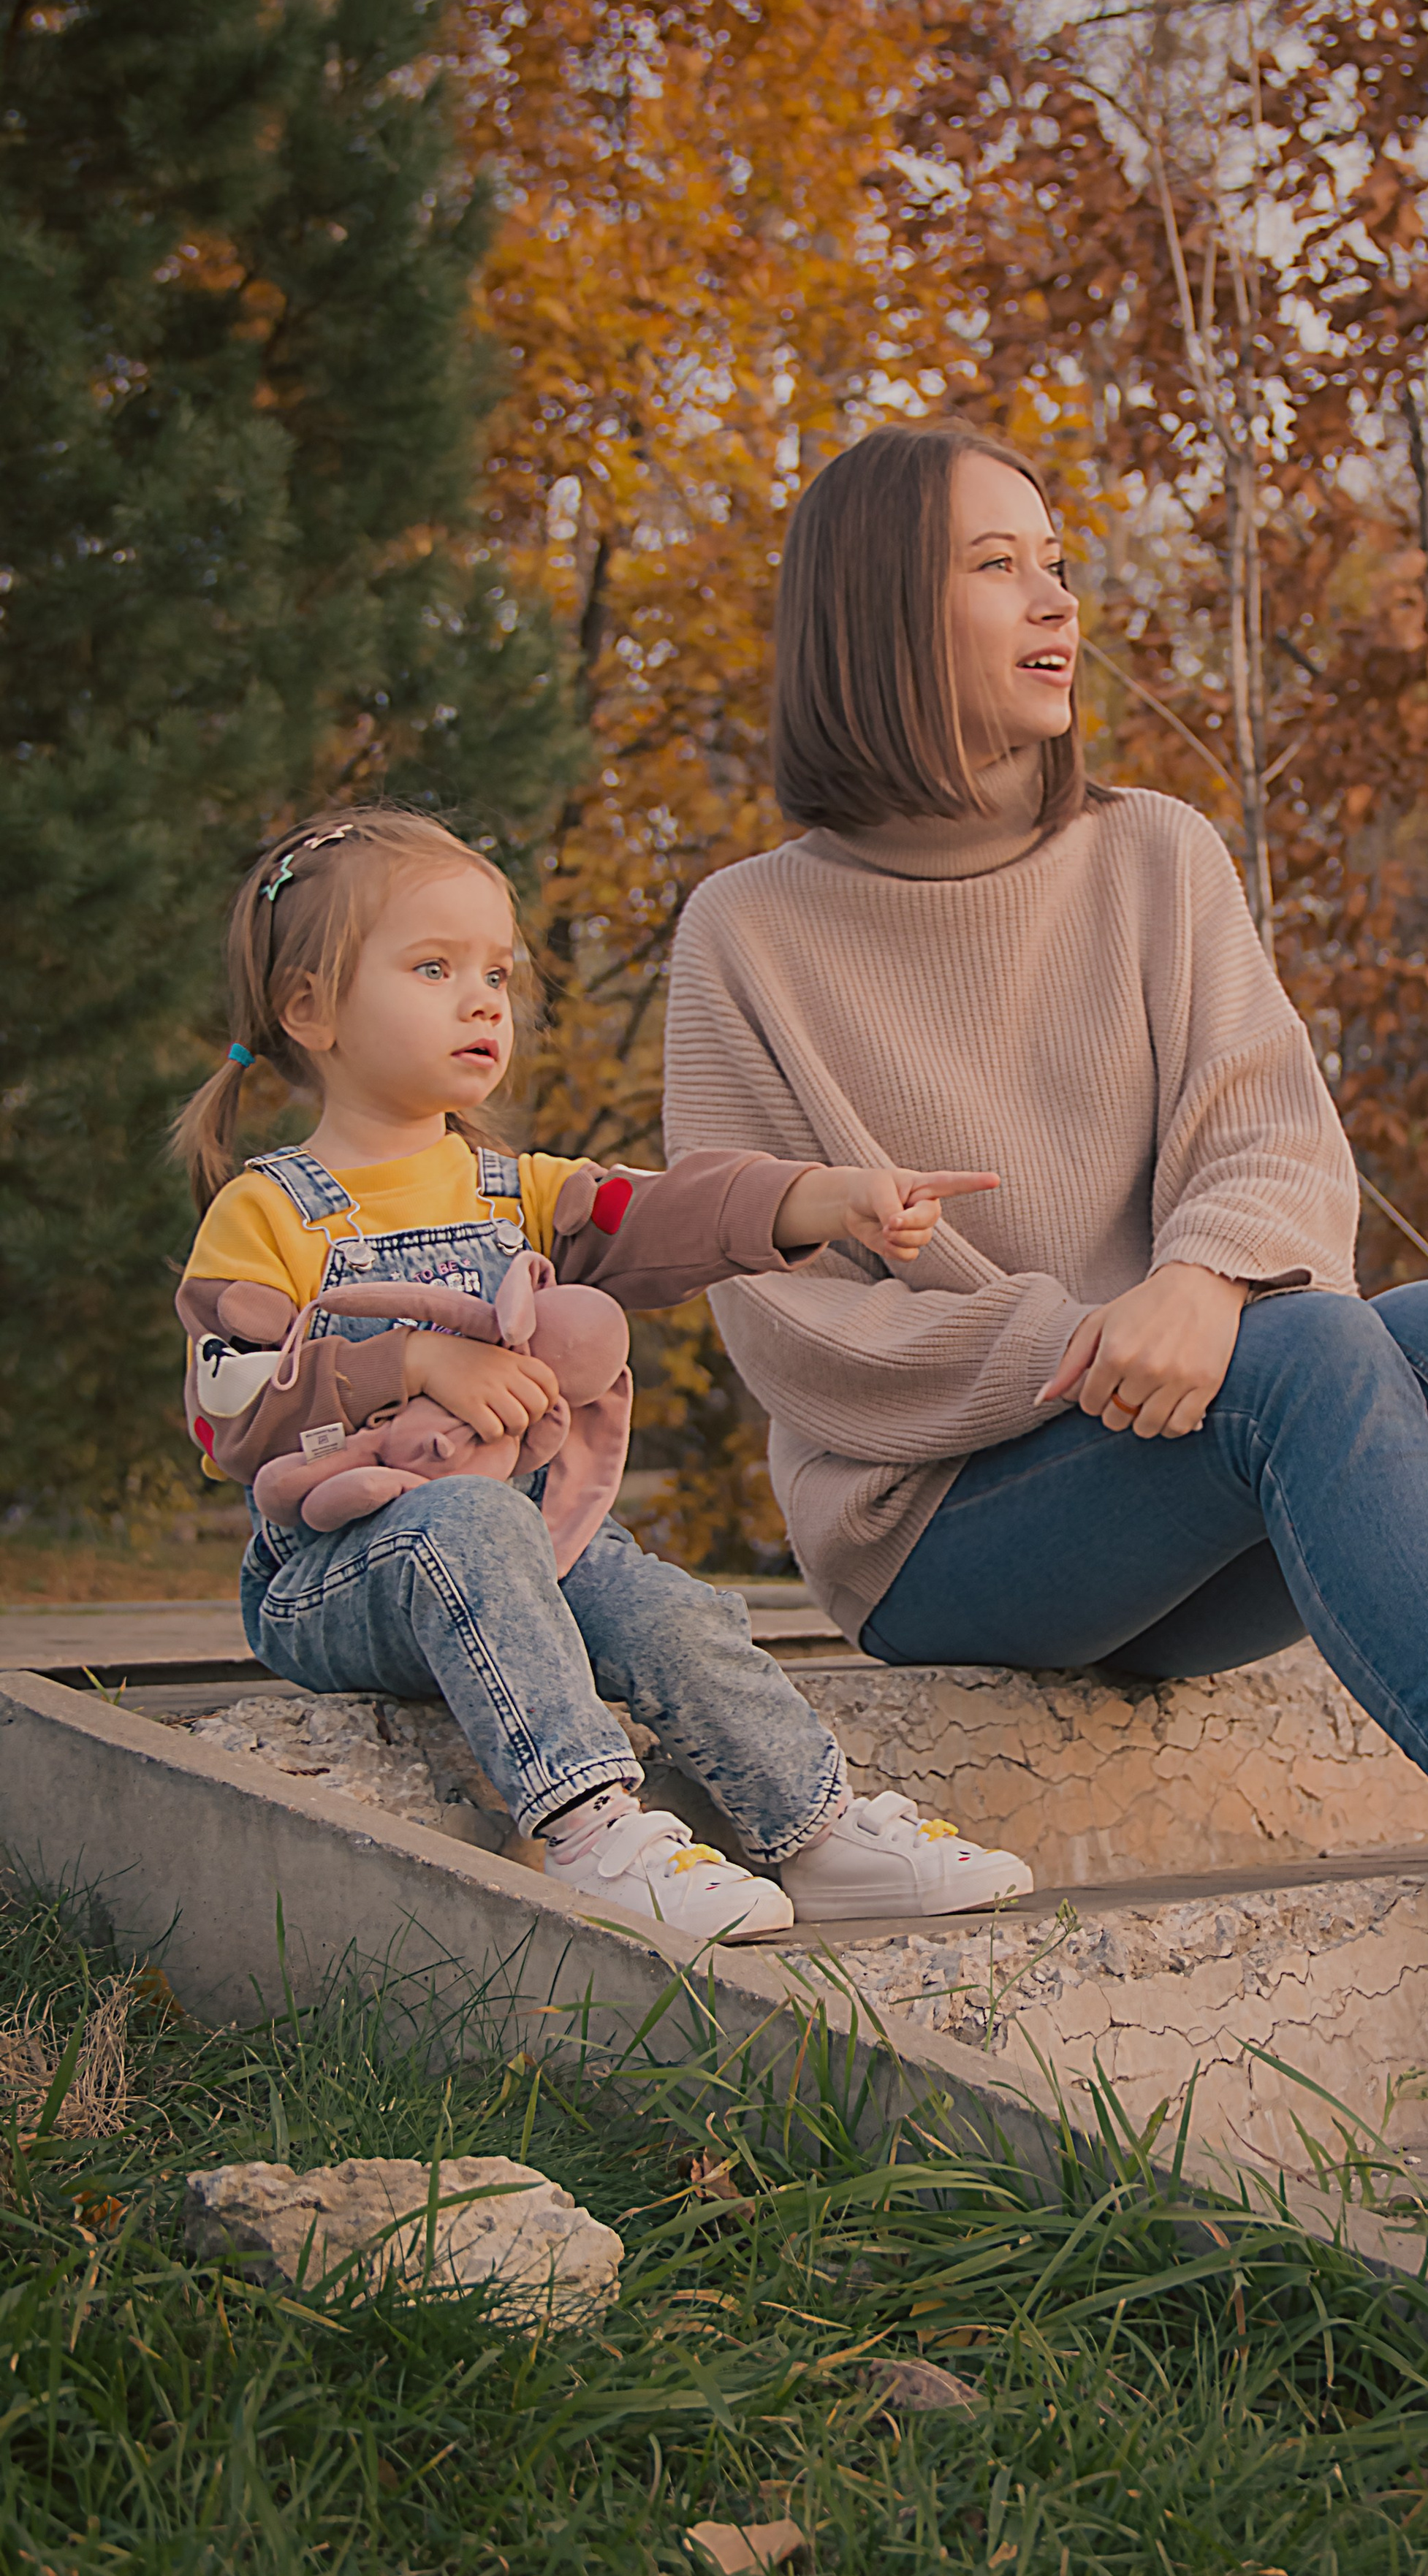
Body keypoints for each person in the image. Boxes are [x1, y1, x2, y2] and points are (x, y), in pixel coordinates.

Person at [663, 418, 1428, 2114]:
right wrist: (1092, 1342)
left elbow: (1274, 1139)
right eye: (996, 565)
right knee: (1313, 1353)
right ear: (873, 613)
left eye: (1059, 562)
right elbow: (785, 1320)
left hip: (1193, 1480)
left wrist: (1205, 1283)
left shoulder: (1154, 854)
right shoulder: (746, 932)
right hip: (944, 1533)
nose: (1056, 602)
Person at [172, 806, 1033, 1940]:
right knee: (472, 1523)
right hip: (340, 1574)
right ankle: (589, 1826)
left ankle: (814, 1833)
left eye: (496, 971)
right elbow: (227, 1403)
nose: (484, 1000)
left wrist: (822, 1196)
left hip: (532, 1544)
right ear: (310, 1010)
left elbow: (661, 1210)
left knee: (664, 1605)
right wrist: (412, 1356)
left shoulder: (517, 1188)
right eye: (433, 968)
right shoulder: (269, 1210)